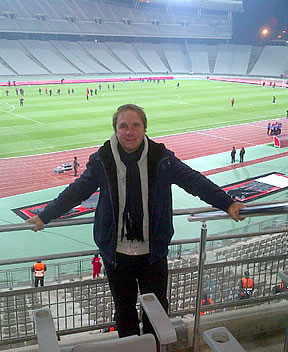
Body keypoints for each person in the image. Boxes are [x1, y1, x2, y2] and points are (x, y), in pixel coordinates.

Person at [26, 104, 245, 338]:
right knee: (124, 312)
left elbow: (193, 181)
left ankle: (153, 347)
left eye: (135, 125)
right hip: (116, 253)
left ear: (145, 128)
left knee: (157, 312)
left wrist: (227, 203)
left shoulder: (162, 158)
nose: (129, 131)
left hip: (152, 252)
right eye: (123, 126)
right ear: (116, 129)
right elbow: (77, 191)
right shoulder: (103, 159)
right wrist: (46, 215)